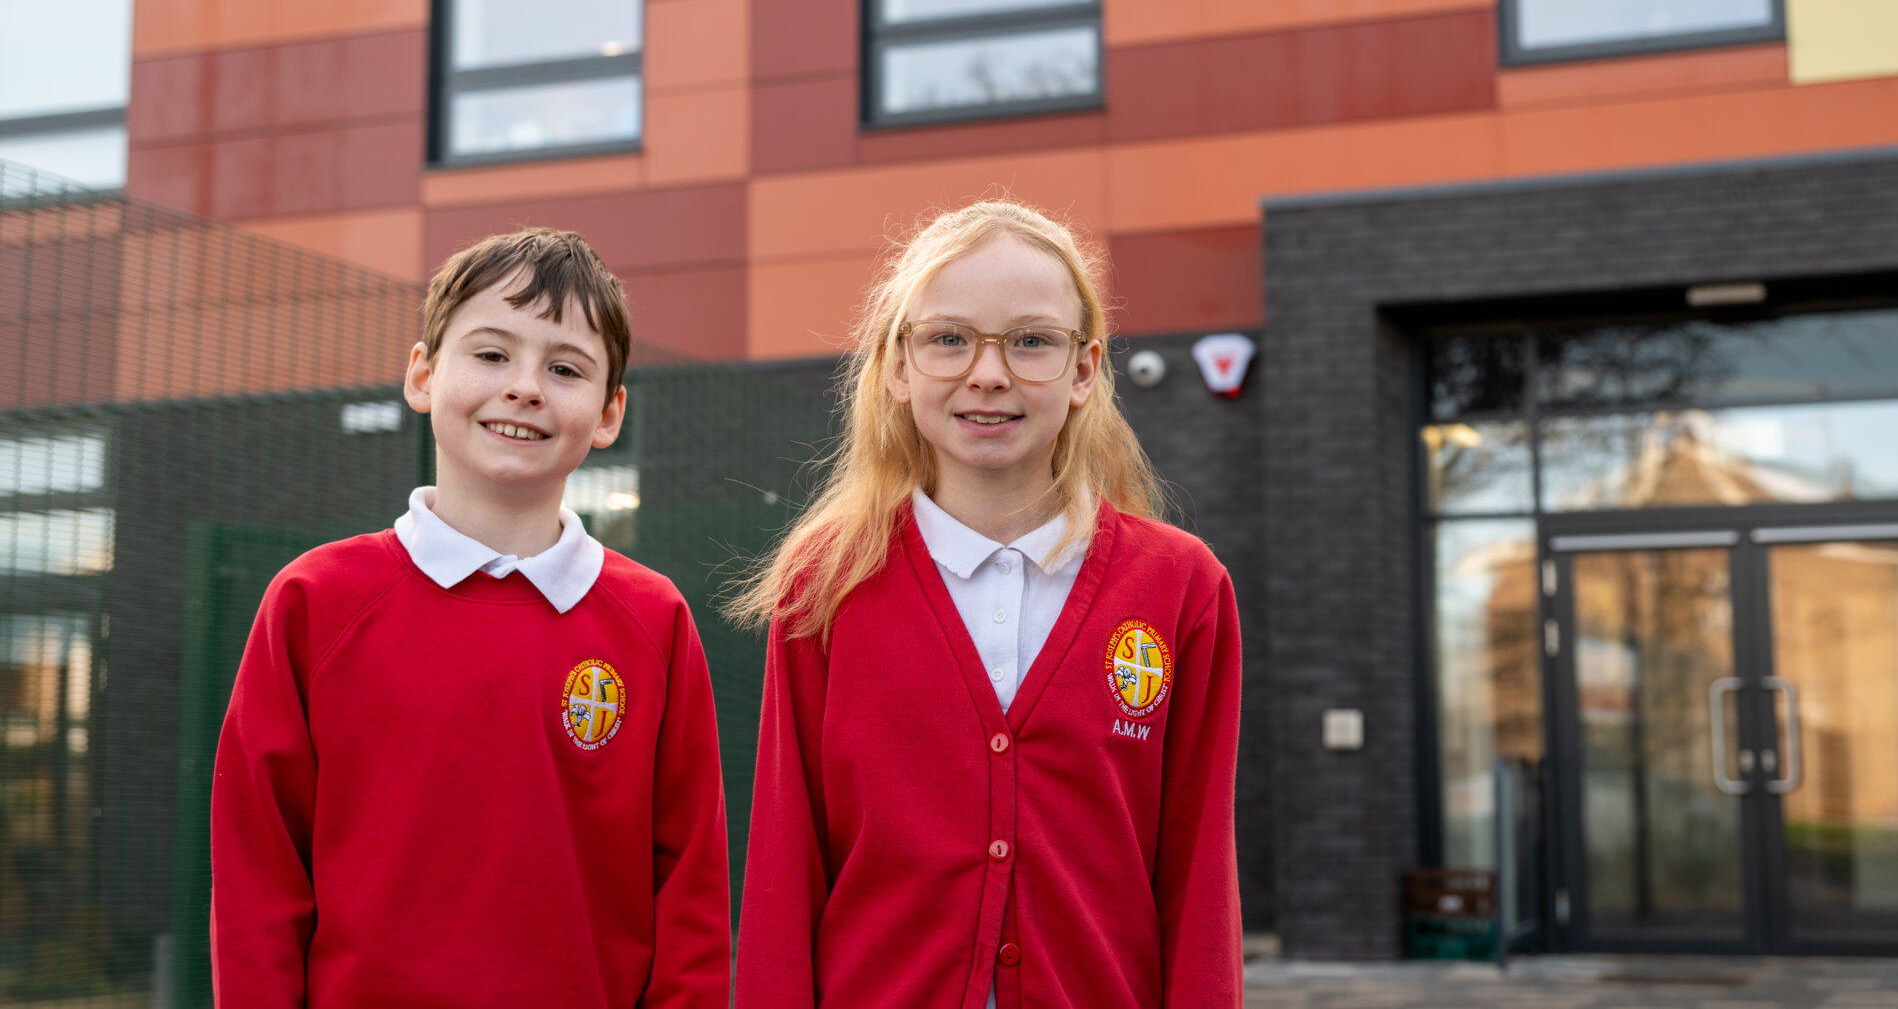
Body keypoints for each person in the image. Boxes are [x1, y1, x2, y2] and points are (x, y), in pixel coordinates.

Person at [732, 200, 1243, 1008]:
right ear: (898, 367)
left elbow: (1199, 871)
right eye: (949, 338)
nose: (989, 373)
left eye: (1032, 340)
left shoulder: (1183, 588)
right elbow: (784, 865)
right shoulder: (826, 580)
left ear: (1084, 370)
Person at [210, 229, 730, 1007]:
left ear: (610, 411)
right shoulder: (315, 600)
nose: (524, 387)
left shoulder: (654, 620)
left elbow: (690, 893)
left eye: (564, 368)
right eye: (491, 354)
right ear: (422, 374)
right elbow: (257, 879)